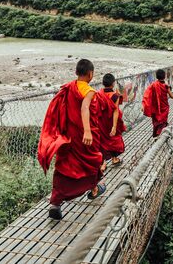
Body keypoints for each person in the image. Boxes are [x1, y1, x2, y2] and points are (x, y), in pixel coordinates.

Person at [37, 59, 106, 220]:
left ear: (77, 73)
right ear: (91, 74)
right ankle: (94, 189)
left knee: (64, 167)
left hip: (69, 136)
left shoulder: (69, 88)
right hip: (84, 137)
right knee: (93, 161)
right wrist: (87, 131)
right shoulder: (89, 91)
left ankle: (55, 203)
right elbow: (84, 108)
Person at [95, 73, 126, 169]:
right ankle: (114, 159)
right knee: (114, 139)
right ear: (113, 83)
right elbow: (115, 111)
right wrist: (114, 126)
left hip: (101, 122)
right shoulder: (114, 96)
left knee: (102, 141)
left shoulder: (98, 94)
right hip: (111, 122)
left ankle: (103, 163)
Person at [142, 69, 173, 137]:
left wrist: (144, 105)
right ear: (165, 76)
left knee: (156, 122)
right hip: (164, 108)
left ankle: (155, 134)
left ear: (156, 76)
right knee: (163, 122)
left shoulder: (153, 85)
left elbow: (147, 95)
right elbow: (171, 96)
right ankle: (160, 134)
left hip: (156, 108)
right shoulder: (166, 86)